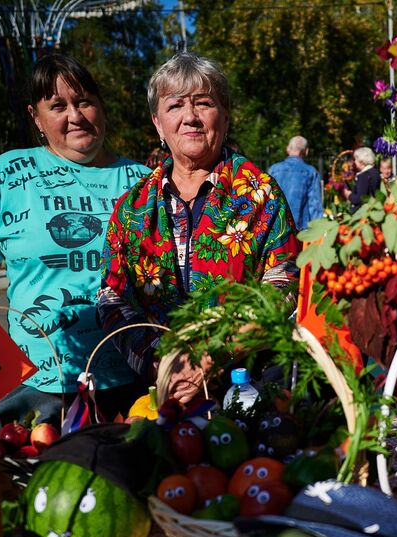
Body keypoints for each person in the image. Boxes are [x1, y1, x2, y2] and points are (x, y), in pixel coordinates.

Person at [0, 53, 152, 425]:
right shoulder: (9, 174)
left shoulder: (144, 182)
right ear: (36, 118)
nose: (75, 115)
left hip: (133, 381)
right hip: (36, 386)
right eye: (57, 106)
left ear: (101, 106)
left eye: (84, 101)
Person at [97, 52, 300, 405]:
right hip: (162, 393)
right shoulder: (133, 207)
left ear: (225, 115)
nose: (190, 117)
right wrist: (161, 364)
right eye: (175, 106)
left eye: (203, 103)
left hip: (251, 390)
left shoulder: (259, 193)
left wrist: (210, 356)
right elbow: (112, 296)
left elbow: (284, 284)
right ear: (158, 123)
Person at [268, 135, 323, 231]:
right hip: (300, 230)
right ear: (306, 151)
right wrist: (318, 231)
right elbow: (314, 205)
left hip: (276, 228)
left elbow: (266, 199)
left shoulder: (273, 170)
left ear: (288, 149)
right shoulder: (311, 172)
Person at [345, 146, 381, 211]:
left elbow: (360, 199)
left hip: (363, 213)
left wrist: (349, 195)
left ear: (361, 161)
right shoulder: (375, 172)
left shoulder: (364, 175)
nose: (354, 162)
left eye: (355, 159)